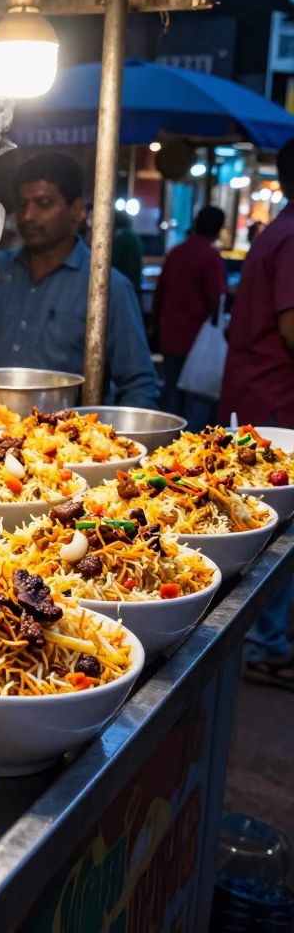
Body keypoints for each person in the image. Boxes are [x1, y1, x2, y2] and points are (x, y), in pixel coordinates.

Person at [0, 152, 158, 407]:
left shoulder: (107, 287)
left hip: (59, 440)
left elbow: (138, 384)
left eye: (44, 203)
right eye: (22, 204)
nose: (28, 216)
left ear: (76, 210)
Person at [220, 137, 294, 690]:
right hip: (275, 411)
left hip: (260, 398)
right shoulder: (293, 236)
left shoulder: (280, 230)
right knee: (276, 538)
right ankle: (269, 645)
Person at [152, 205, 227, 432]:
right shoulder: (211, 256)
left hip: (171, 332)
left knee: (172, 392)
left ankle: (167, 441)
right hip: (197, 339)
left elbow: (160, 293)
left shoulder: (176, 252)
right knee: (197, 398)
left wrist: (154, 325)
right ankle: (190, 449)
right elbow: (216, 297)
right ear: (218, 230)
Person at [111, 210, 143, 297]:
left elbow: (114, 262)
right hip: (134, 285)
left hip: (122, 289)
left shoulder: (120, 238)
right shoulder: (134, 237)